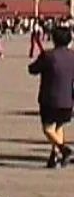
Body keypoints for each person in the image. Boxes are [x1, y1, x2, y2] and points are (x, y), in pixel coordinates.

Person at [28, 27, 74, 168]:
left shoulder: (48, 56)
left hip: (50, 99)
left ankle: (63, 149)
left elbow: (32, 69)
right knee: (58, 126)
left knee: (48, 128)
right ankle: (54, 156)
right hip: (67, 100)